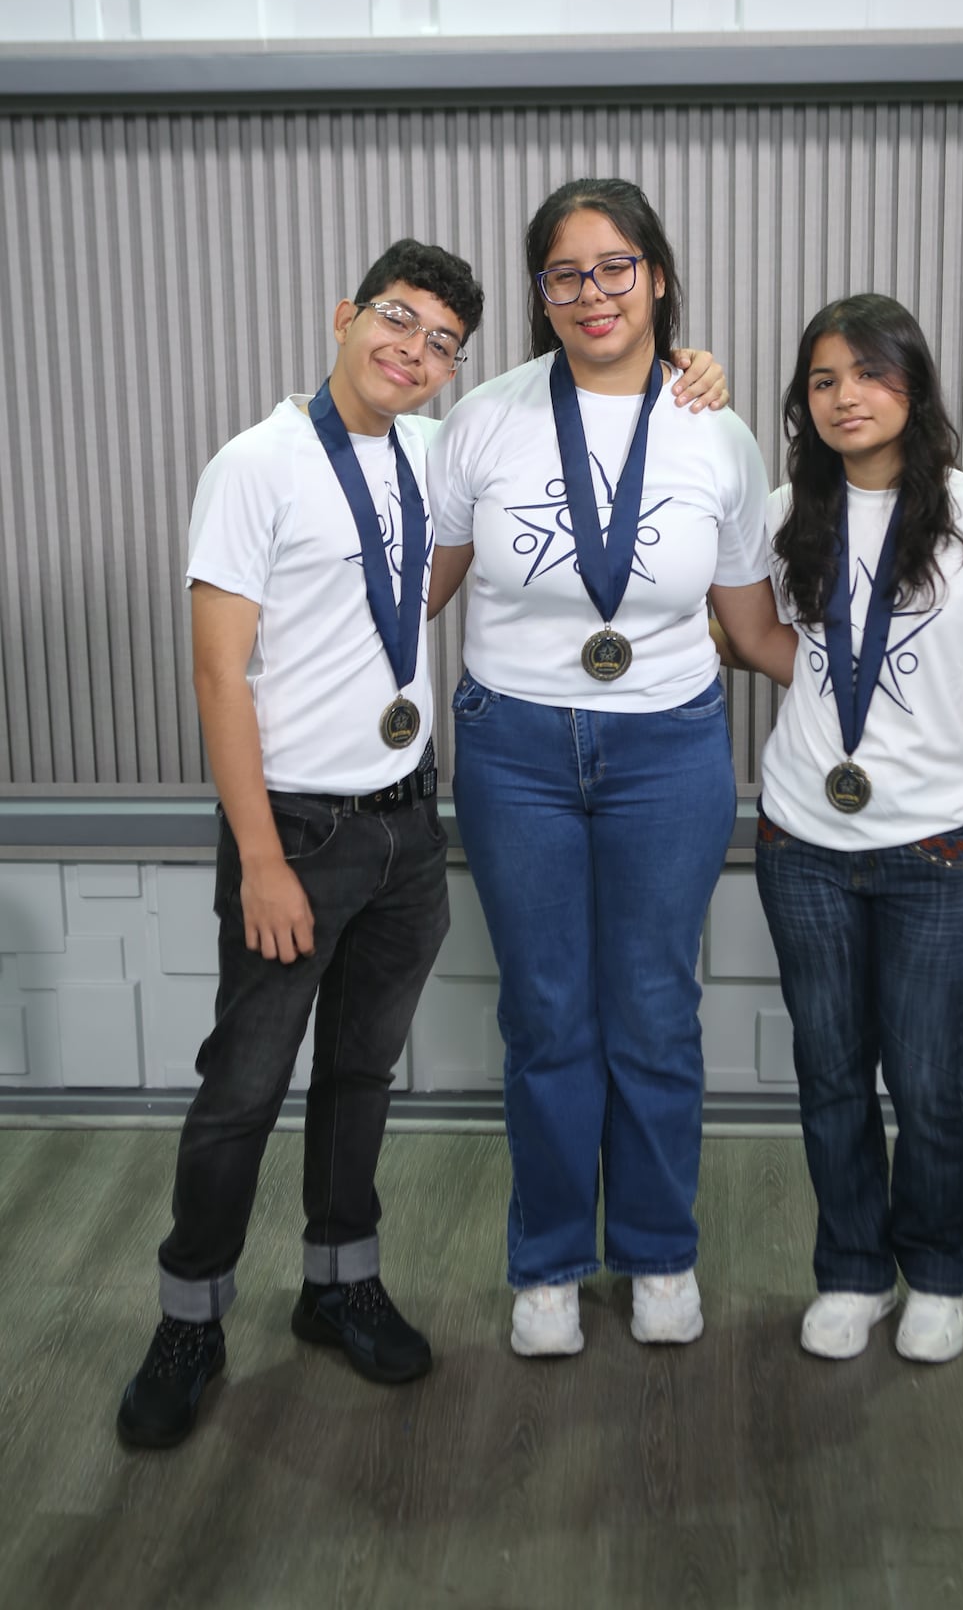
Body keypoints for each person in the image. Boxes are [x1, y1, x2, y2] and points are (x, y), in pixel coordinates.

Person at [115, 234, 727, 1449]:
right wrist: (266, 859)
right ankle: (189, 1321)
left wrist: (688, 372)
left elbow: (510, 520)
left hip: (405, 813)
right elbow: (217, 677)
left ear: (457, 368)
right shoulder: (257, 464)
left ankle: (338, 1285)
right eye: (396, 321)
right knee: (241, 1088)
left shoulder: (435, 452)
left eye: (443, 341)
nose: (415, 350)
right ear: (346, 314)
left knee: (361, 1075)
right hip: (294, 825)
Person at [426, 178, 797, 1359]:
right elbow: (414, 591)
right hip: (515, 746)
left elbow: (748, 624)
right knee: (543, 1015)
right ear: (539, 294)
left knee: (652, 1010)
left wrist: (896, 696)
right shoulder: (481, 418)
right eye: (565, 274)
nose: (593, 293)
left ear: (659, 276)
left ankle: (658, 1251)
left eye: (615, 266)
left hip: (668, 747)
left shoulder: (713, 429)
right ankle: (544, 1264)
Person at [750, 293, 963, 1365]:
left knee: (928, 1075)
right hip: (803, 840)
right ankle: (851, 1269)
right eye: (825, 380)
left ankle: (936, 1270)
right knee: (831, 1067)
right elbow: (757, 635)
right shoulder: (781, 511)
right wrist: (835, 686)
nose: (847, 397)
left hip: (939, 844)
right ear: (804, 402)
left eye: (871, 374)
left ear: (914, 386)